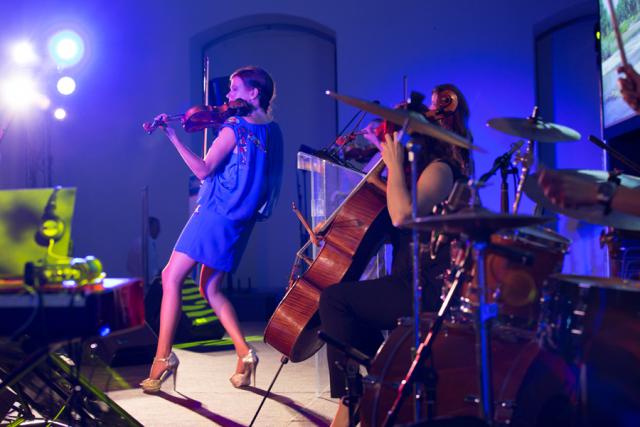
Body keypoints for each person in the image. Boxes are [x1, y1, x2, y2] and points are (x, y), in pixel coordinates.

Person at [318, 84, 472, 426]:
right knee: (342, 307)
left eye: (398, 135)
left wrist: (390, 162)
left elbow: (402, 215)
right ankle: (380, 379)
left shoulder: (441, 170)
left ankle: (354, 397)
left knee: (335, 301)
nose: (395, 142)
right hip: (408, 280)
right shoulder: (415, 173)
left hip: (427, 287)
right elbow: (388, 215)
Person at [140, 66, 283, 392]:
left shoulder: (234, 127)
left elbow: (203, 170)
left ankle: (163, 358)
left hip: (216, 213)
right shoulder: (274, 132)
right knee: (210, 288)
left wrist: (173, 137)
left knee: (170, 277)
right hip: (241, 221)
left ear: (253, 93)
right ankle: (245, 354)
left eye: (234, 89)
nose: (228, 96)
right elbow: (268, 184)